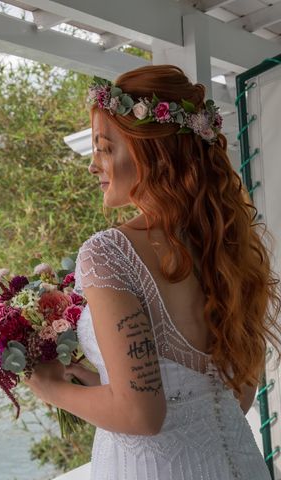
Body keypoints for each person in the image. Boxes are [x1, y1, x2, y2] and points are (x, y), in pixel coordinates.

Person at [22, 64, 281, 479]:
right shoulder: (228, 247)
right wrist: (102, 380)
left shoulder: (109, 253)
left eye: (104, 148)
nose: (93, 166)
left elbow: (141, 415)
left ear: (151, 152)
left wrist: (50, 387)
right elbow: (238, 395)